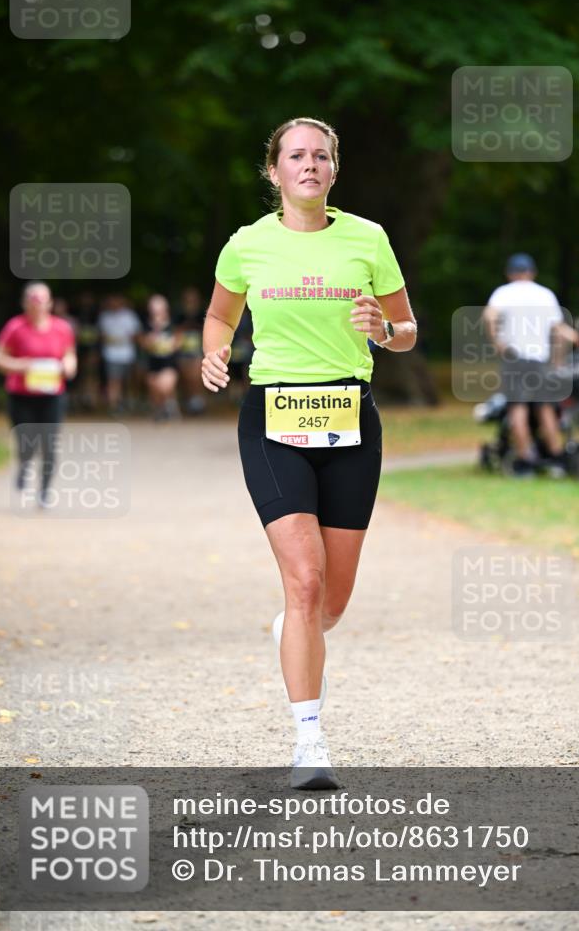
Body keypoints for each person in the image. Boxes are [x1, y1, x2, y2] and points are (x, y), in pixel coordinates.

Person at [201, 117, 417, 789]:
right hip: (272, 417)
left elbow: (407, 329)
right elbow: (219, 315)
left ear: (333, 169)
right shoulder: (247, 246)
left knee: (331, 601)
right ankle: (309, 743)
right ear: (274, 171)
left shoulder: (367, 240)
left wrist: (384, 329)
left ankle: (295, 631)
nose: (309, 165)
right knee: (304, 582)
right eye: (295, 155)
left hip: (351, 419)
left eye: (320, 155)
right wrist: (212, 350)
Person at [483, 254, 576, 477]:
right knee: (545, 408)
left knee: (518, 408)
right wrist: (557, 360)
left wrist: (498, 343)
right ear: (532, 272)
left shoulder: (503, 293)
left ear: (510, 273)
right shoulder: (546, 295)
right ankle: (555, 457)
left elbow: (489, 317)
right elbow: (559, 331)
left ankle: (525, 460)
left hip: (515, 358)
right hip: (540, 360)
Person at [0, 281, 77, 507]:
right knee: (26, 442)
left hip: (52, 394)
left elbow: (70, 355)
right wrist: (21, 366)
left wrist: (68, 366)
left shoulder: (62, 328)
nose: (37, 304)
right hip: (21, 395)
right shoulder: (15, 327)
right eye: (33, 300)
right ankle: (24, 465)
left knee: (49, 443)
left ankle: (45, 491)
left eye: (42, 299)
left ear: (50, 303)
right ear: (25, 303)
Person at [139, 294, 182, 420]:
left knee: (165, 386)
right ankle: (162, 408)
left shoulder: (172, 324)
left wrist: (170, 344)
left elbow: (178, 342)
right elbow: (143, 343)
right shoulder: (147, 326)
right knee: (154, 388)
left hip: (169, 363)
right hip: (153, 363)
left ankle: (170, 405)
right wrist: (152, 338)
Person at [97, 293, 142, 415]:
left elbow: (136, 335)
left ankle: (129, 402)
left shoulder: (130, 316)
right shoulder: (105, 317)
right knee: (113, 380)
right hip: (111, 354)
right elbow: (101, 335)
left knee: (129, 381)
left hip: (127, 354)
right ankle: (114, 406)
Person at [174, 286, 206, 415]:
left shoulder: (202, 314)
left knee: (197, 376)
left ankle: (198, 401)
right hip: (183, 350)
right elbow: (176, 331)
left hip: (198, 350)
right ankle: (189, 401)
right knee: (186, 377)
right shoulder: (179, 314)